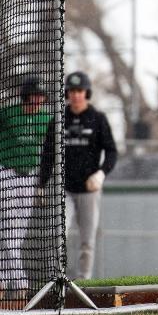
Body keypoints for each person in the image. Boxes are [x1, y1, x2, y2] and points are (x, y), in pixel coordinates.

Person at [0, 75, 56, 299]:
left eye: (40, 96)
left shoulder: (46, 119)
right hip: (4, 174)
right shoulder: (9, 112)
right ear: (25, 96)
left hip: (28, 177)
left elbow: (49, 153)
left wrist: (41, 183)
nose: (37, 100)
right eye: (33, 96)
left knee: (17, 234)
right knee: (8, 228)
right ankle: (22, 284)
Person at [45, 71, 117, 280]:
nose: (76, 95)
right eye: (72, 91)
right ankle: (56, 280)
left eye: (80, 91)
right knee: (58, 235)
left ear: (87, 93)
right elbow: (48, 154)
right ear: (67, 93)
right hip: (64, 188)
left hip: (89, 189)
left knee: (87, 240)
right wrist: (42, 184)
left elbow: (112, 151)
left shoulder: (98, 119)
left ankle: (84, 281)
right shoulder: (59, 119)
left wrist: (101, 173)